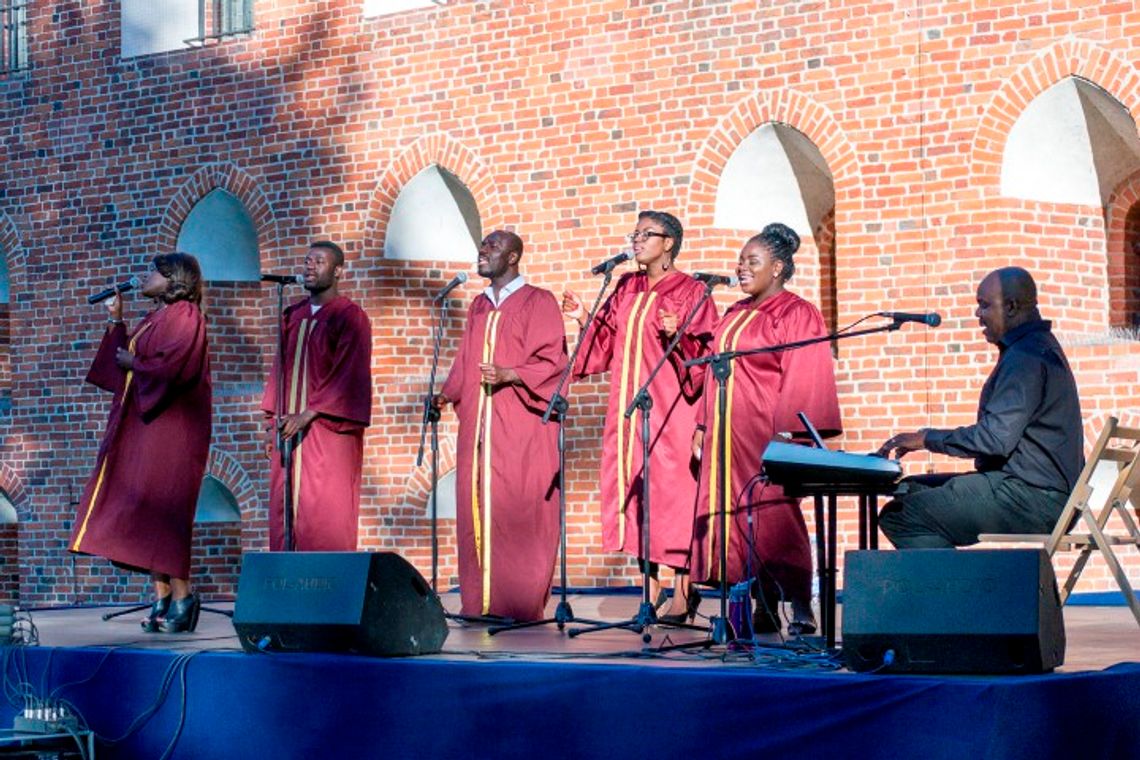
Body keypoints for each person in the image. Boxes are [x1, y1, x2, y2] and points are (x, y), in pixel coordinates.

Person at [563, 211, 717, 623]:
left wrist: (677, 332)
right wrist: (583, 317)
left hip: (671, 412)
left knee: (674, 500)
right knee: (634, 497)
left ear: (668, 243)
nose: (637, 240)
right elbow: (607, 341)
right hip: (629, 413)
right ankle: (649, 594)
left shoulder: (692, 290)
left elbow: (706, 356)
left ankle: (684, 593)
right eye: (635, 234)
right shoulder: (626, 285)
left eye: (646, 234)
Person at [689, 224, 841, 635]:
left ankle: (800, 603)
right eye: (740, 260)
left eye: (751, 261)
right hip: (725, 434)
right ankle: (762, 601)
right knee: (735, 514)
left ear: (777, 268)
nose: (741, 268)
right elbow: (711, 372)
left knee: (774, 514)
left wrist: (791, 434)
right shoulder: (736, 312)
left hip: (766, 433)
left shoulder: (796, 312)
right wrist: (702, 423)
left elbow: (805, 374)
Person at [877, 267, 1083, 548]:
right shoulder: (1036, 347)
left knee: (902, 516)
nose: (978, 314)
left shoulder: (1026, 358)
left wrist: (927, 439)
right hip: (1039, 492)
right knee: (909, 490)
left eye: (984, 305)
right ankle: (956, 586)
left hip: (1035, 499)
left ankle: (959, 591)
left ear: (1011, 307)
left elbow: (994, 439)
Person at [70, 253, 212, 634]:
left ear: (173, 280)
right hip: (146, 427)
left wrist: (135, 365)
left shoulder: (185, 316)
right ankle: (162, 596)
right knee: (144, 514)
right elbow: (122, 366)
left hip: (171, 432)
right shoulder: (155, 318)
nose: (145, 277)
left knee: (164, 515)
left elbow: (173, 367)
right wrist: (117, 320)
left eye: (154, 272)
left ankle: (183, 598)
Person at [433, 230, 567, 621]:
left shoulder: (538, 301)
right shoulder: (478, 305)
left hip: (520, 427)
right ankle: (480, 603)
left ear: (513, 257)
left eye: (493, 246)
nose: (483, 250)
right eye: (482, 245)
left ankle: (518, 605)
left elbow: (554, 361)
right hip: (479, 427)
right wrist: (446, 393)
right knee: (477, 504)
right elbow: (464, 360)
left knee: (516, 506)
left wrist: (511, 373)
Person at [261, 241, 372, 551]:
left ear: (337, 271)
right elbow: (279, 369)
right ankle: (287, 586)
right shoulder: (292, 314)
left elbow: (349, 373)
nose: (309, 266)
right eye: (307, 260)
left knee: (324, 511)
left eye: (319, 262)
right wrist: (271, 419)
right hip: (288, 429)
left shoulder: (350, 316)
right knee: (285, 507)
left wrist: (308, 414)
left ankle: (326, 588)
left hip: (326, 429)